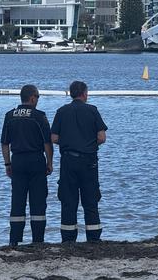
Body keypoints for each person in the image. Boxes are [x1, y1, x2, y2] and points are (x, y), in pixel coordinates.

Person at [51, 81, 108, 242]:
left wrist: (70, 142)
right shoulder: (92, 110)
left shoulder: (62, 111)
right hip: (89, 161)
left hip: (68, 160)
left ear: (71, 94)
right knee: (90, 200)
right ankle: (94, 238)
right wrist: (88, 143)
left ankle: (68, 239)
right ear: (84, 93)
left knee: (68, 200)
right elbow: (101, 137)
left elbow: (54, 138)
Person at [0, 84, 53, 246]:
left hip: (17, 161)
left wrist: (7, 163)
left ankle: (14, 240)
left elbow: (4, 143)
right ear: (32, 98)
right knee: (38, 202)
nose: (38, 100)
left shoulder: (10, 116)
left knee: (17, 201)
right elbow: (47, 144)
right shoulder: (39, 116)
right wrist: (49, 163)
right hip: (36, 160)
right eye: (38, 97)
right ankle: (38, 240)